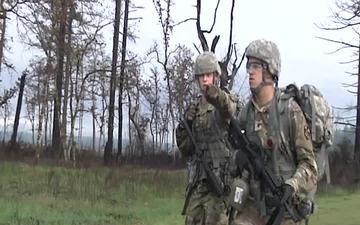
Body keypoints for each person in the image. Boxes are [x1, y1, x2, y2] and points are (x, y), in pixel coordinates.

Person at [231, 39, 318, 225]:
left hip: (285, 207)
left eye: (256, 66)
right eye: (248, 65)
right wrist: (238, 158)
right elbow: (232, 156)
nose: (250, 71)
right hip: (254, 206)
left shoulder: (290, 112)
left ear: (270, 70)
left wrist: (291, 186)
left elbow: (310, 167)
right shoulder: (246, 113)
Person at [176, 51, 238, 225]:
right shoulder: (194, 108)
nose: (204, 80)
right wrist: (184, 125)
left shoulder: (225, 99)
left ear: (216, 76)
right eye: (201, 76)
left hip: (220, 182)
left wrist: (216, 95)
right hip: (199, 182)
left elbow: (228, 110)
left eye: (208, 75)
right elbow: (185, 148)